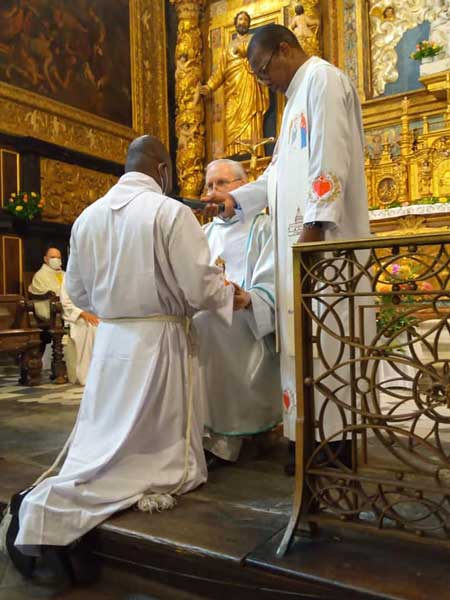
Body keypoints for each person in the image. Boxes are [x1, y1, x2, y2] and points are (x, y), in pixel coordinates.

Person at [7, 135, 236, 580]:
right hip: (159, 341)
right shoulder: (170, 212)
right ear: (164, 171)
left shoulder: (87, 217)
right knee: (151, 458)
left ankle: (46, 505)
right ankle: (46, 513)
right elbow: (198, 286)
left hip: (112, 342)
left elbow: (79, 292)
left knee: (106, 436)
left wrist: (116, 310)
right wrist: (230, 295)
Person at [204, 24, 370, 474]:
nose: (264, 83)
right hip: (300, 251)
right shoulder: (294, 100)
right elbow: (275, 179)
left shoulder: (323, 80)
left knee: (329, 344)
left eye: (263, 70)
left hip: (323, 248)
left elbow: (330, 160)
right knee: (301, 347)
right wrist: (235, 200)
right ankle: (306, 439)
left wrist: (313, 233)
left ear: (284, 49)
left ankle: (333, 447)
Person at [195, 159, 282, 469]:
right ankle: (199, 430)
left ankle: (225, 438)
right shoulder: (202, 233)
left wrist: (250, 299)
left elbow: (274, 279)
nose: (213, 191)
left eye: (222, 183)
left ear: (243, 187)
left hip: (249, 320)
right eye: (209, 185)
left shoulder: (265, 227)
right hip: (208, 318)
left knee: (213, 326)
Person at [200, 10, 269, 157]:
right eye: (240, 19)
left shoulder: (254, 41)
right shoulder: (228, 47)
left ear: (248, 24)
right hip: (232, 90)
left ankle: (252, 152)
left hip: (249, 85)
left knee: (250, 117)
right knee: (231, 118)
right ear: (235, 23)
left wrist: (246, 52)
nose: (242, 22)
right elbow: (220, 72)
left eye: (245, 20)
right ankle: (234, 152)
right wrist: (209, 86)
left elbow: (261, 59)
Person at [29, 246, 99, 384]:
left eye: (58, 257)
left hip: (81, 312)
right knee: (89, 327)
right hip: (62, 313)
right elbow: (64, 301)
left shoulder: (69, 275)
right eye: (53, 257)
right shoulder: (44, 275)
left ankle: (99, 372)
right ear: (45, 259)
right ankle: (84, 372)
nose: (56, 260)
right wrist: (82, 313)